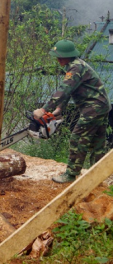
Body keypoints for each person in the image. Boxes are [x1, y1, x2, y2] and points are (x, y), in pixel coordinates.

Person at [33, 39, 111, 183]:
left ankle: (70, 174)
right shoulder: (76, 66)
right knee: (97, 141)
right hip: (101, 106)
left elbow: (64, 90)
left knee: (78, 138)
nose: (58, 59)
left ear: (65, 56)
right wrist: (59, 109)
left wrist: (44, 109)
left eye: (59, 56)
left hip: (93, 108)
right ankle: (101, 174)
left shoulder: (75, 68)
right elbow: (70, 91)